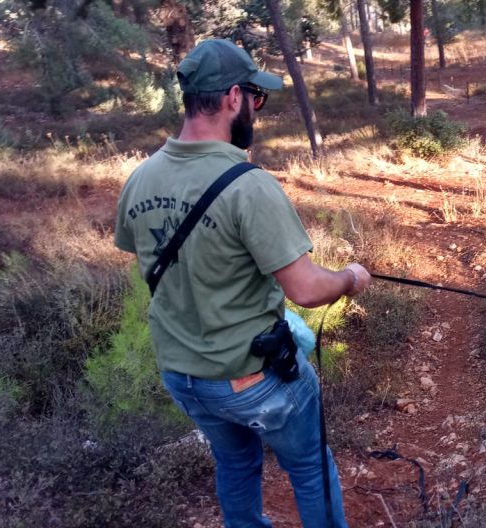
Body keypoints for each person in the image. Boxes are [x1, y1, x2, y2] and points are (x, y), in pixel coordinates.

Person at [114, 38, 371, 528]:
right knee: (310, 470)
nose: (256, 108)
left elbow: (150, 255)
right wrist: (350, 278)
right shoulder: (248, 185)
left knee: (235, 463)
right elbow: (308, 290)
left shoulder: (140, 177)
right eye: (256, 97)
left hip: (183, 376)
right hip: (250, 378)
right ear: (234, 98)